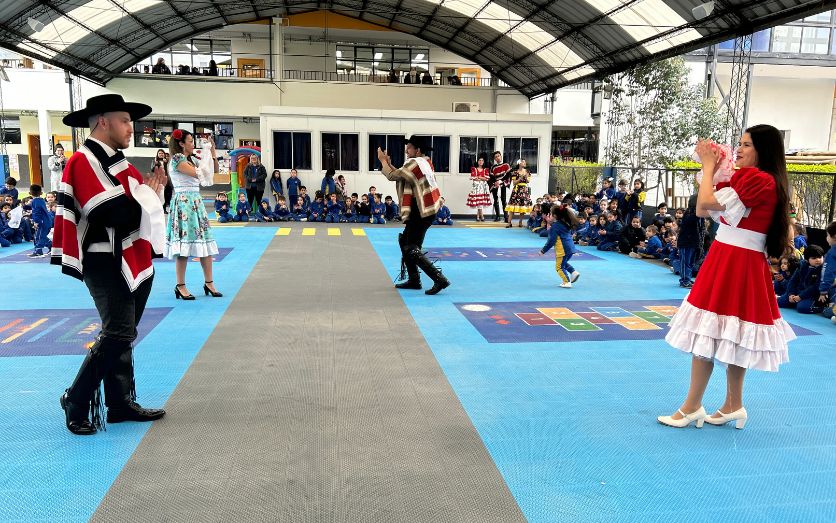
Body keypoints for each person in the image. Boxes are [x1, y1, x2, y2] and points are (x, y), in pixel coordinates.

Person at [659, 125, 796, 430]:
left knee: (708, 331)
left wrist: (709, 166)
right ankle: (732, 404)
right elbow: (701, 207)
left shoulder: (759, 180)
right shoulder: (755, 179)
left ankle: (692, 406)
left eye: (746, 144)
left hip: (735, 260)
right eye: (739, 143)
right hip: (733, 258)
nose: (739, 149)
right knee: (732, 333)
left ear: (763, 149)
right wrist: (712, 169)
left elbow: (705, 204)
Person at [53, 93, 168, 435]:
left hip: (132, 256)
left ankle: (119, 403)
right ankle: (76, 398)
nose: (131, 128)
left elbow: (145, 203)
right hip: (104, 259)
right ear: (102, 121)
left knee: (123, 334)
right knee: (118, 331)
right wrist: (144, 197)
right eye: (124, 120)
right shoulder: (83, 160)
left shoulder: (120, 163)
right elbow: (107, 212)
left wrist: (152, 193)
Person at [378, 135, 448, 295]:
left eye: (409, 147)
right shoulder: (425, 162)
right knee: (405, 242)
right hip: (426, 209)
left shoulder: (414, 163)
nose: (406, 150)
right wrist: (389, 164)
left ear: (417, 150)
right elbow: (403, 174)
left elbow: (392, 176)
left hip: (420, 210)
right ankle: (414, 280)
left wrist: (383, 161)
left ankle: (439, 279)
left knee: (411, 247)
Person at [165, 128, 223, 300]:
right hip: (184, 203)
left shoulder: (191, 159)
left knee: (204, 242)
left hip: (195, 202)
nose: (193, 144)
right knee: (183, 247)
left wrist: (211, 152)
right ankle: (180, 285)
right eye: (190, 141)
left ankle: (209, 282)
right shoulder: (177, 159)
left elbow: (213, 173)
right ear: (181, 143)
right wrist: (205, 156)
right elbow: (199, 174)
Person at [539, 205, 580, 288]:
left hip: (563, 249)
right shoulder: (564, 223)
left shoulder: (554, 227)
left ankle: (566, 282)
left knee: (559, 267)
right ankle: (574, 272)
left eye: (549, 214)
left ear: (554, 216)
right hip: (570, 248)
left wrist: (543, 250)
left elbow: (551, 241)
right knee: (563, 263)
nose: (548, 216)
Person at [777, 245, 825, 314]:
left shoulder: (823, 269)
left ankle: (822, 308)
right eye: (814, 258)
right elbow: (793, 281)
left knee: (802, 308)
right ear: (807, 259)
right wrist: (791, 294)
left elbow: (816, 287)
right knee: (780, 302)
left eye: (820, 257)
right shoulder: (801, 266)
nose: (818, 260)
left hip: (812, 295)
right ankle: (796, 302)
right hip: (799, 292)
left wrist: (801, 296)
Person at [676, 195, 705, 288]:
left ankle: (687, 278)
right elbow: (693, 220)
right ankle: (684, 280)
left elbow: (701, 228)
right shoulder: (689, 214)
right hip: (686, 243)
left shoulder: (699, 215)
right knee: (685, 262)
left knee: (691, 262)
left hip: (693, 242)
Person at [26, 184, 52, 258]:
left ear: (30, 193)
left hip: (42, 222)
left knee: (39, 237)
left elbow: (37, 212)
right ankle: (51, 246)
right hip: (46, 221)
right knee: (41, 236)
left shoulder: (35, 201)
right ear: (41, 193)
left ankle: (38, 251)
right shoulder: (41, 200)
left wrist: (36, 222)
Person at [505, 159, 533, 228]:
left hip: (524, 190)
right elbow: (514, 183)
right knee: (512, 207)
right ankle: (509, 222)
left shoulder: (527, 171)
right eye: (523, 162)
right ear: (519, 163)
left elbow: (528, 181)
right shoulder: (515, 172)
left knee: (522, 207)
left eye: (524, 162)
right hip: (517, 190)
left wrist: (526, 177)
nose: (524, 163)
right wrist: (520, 178)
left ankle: (520, 222)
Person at [820, 221, 836, 320]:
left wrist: (823, 290)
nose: (826, 238)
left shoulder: (832, 253)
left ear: (834, 236)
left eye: (827, 235)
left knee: (827, 312)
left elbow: (828, 272)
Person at [489, 151, 511, 222]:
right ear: (494, 159)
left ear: (501, 156)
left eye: (498, 156)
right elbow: (491, 177)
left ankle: (506, 217)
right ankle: (497, 216)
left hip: (503, 184)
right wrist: (496, 182)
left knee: (504, 200)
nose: (497, 157)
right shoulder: (493, 167)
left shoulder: (506, 165)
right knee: (496, 200)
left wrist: (501, 181)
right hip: (495, 185)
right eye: (496, 157)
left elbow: (508, 174)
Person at [467, 157, 491, 221]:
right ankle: (482, 216)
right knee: (479, 202)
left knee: (480, 202)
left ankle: (478, 216)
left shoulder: (486, 170)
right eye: (479, 160)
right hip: (477, 187)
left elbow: (487, 179)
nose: (480, 161)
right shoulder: (474, 169)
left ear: (483, 162)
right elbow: (473, 178)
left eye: (482, 160)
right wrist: (481, 178)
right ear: (477, 162)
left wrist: (479, 177)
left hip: (483, 187)